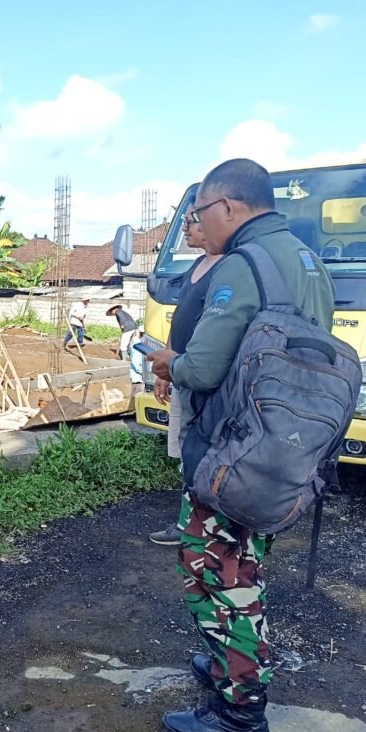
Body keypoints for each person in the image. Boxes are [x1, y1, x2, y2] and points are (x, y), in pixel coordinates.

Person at [147, 159, 334, 732]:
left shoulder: (243, 265)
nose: (199, 223)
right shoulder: (308, 261)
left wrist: (163, 362)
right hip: (284, 453)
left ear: (228, 207)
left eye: (200, 213)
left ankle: (241, 720)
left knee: (217, 576)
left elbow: (201, 367)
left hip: (234, 451)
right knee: (241, 567)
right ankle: (228, 669)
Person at [148, 214, 224, 545]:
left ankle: (199, 527)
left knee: (202, 453)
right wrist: (166, 367)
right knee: (185, 451)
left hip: (203, 378)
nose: (185, 229)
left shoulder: (229, 269)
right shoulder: (196, 267)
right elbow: (179, 320)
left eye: (191, 221)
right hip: (181, 371)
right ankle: (189, 522)